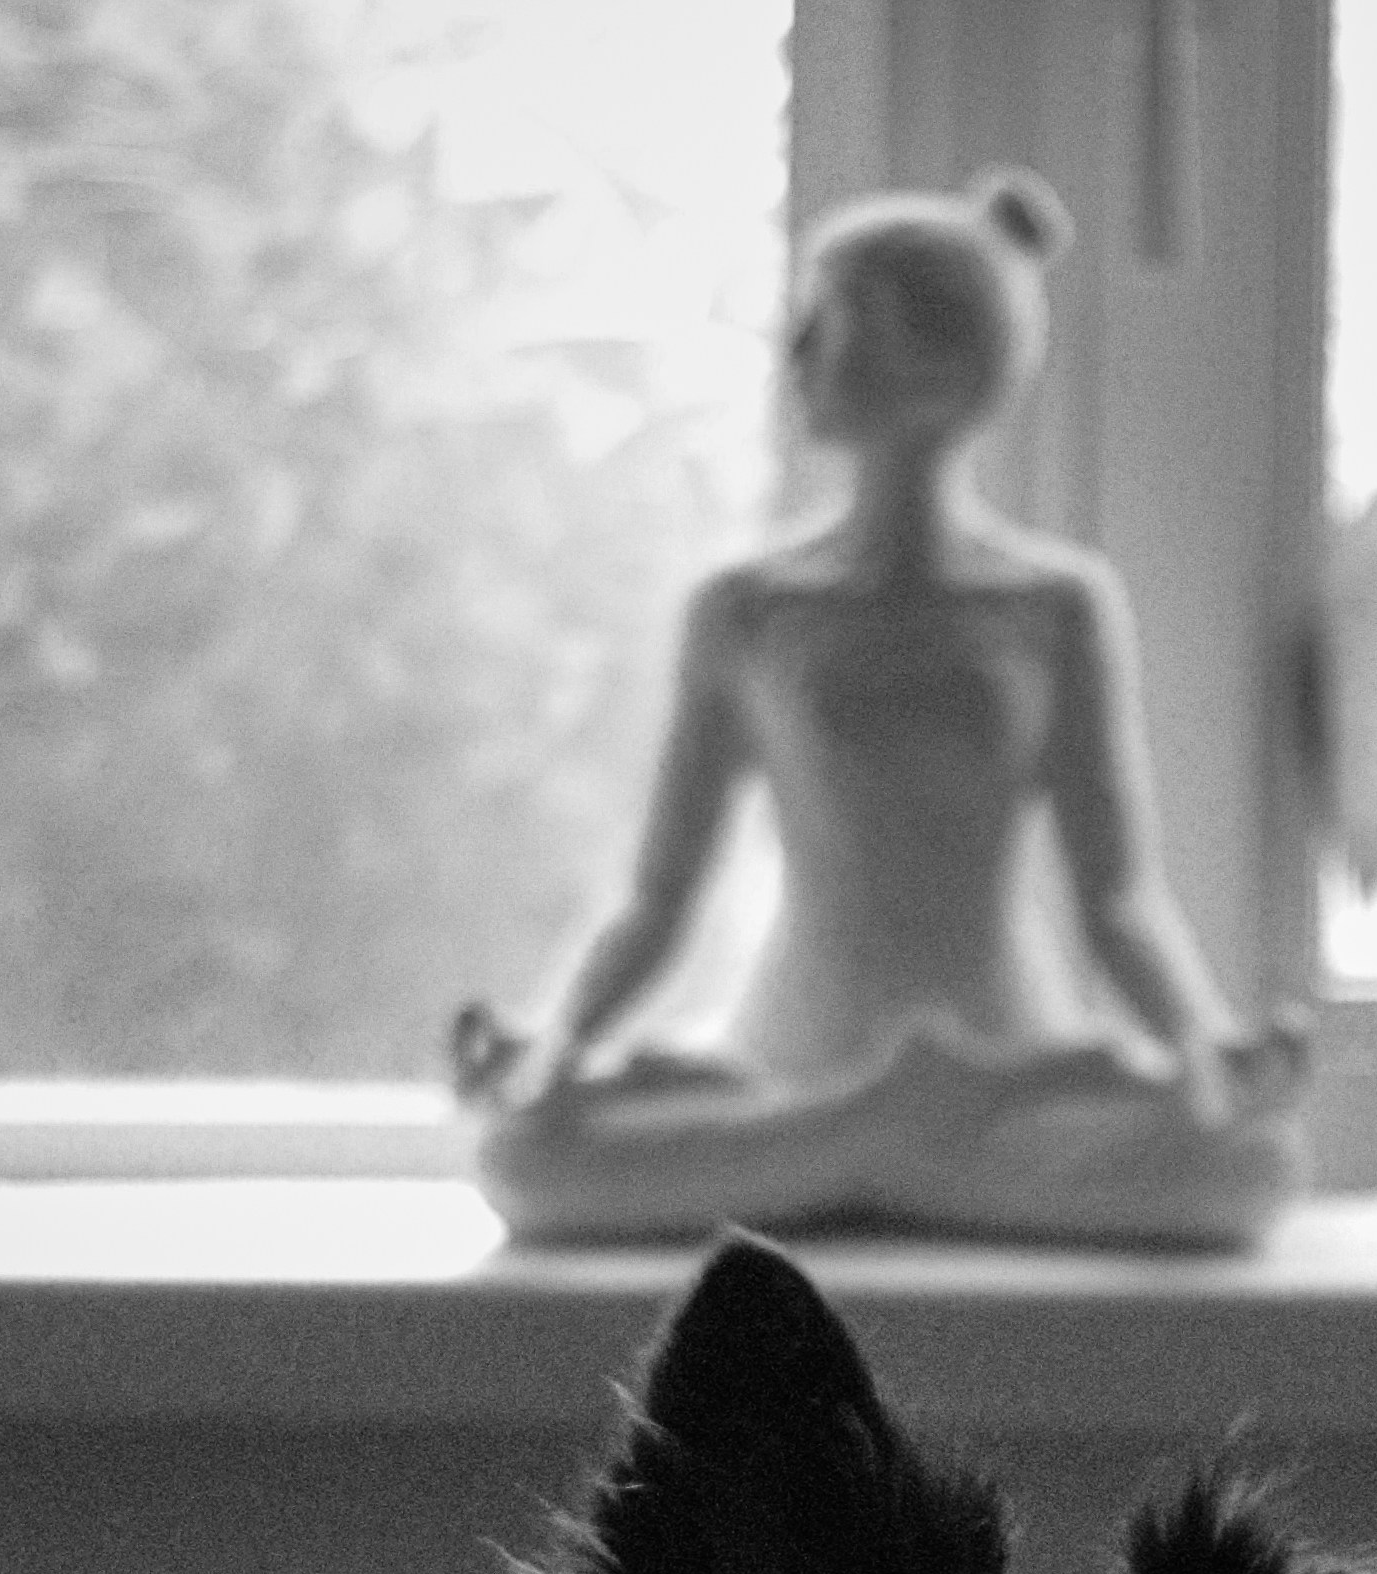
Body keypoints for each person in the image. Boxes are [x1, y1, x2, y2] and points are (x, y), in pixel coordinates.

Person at [457, 171, 1306, 1247]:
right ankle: (865, 1138)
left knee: (1242, 1167)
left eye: (831, 324)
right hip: (787, 1074)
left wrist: (1204, 1052)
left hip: (1001, 1080)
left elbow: (1119, 899)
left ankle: (881, 1147)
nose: (797, 356)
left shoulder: (1054, 606)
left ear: (934, 361)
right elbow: (655, 897)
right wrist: (555, 1045)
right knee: (525, 1160)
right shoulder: (746, 612)